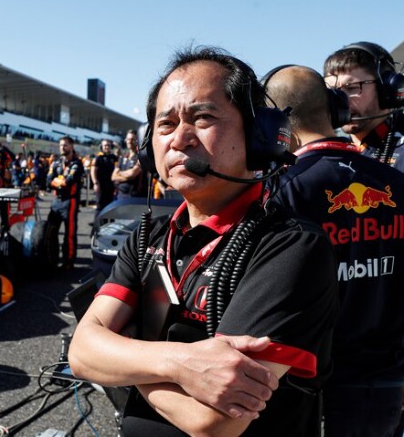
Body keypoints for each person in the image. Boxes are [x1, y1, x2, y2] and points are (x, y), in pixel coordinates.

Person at [68, 47, 339, 437]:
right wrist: (181, 363)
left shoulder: (293, 247)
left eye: (203, 118)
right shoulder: (148, 237)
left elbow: (214, 421)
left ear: (259, 135)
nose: (180, 139)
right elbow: (82, 352)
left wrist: (126, 352)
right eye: (165, 124)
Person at [265, 65, 404, 437]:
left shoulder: (283, 189)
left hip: (314, 389)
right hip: (388, 386)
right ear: (334, 108)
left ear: (275, 120)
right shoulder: (396, 182)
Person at [324, 42, 404, 172]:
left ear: (385, 89)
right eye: (333, 91)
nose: (340, 100)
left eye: (352, 88)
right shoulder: (328, 154)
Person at [47, 136, 84, 270]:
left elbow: (68, 182)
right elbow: (47, 181)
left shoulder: (77, 163)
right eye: (61, 145)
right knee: (50, 231)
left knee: (70, 233)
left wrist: (57, 181)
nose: (62, 147)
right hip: (56, 201)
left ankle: (69, 261)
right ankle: (52, 257)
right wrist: (59, 182)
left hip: (70, 201)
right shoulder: (56, 163)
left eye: (65, 145)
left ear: (71, 146)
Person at [112, 129, 147, 198]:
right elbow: (113, 177)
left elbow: (132, 174)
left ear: (137, 141)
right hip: (120, 195)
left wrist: (119, 173)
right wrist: (127, 177)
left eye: (132, 139)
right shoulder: (123, 157)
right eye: (128, 139)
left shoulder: (141, 157)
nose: (129, 141)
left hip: (135, 196)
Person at [91, 139, 118, 216]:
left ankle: (109, 222)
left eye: (108, 145)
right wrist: (95, 183)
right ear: (101, 147)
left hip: (110, 184)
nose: (107, 147)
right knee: (100, 205)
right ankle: (97, 222)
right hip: (100, 184)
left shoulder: (113, 157)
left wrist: (117, 147)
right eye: (105, 145)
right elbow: (93, 171)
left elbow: (120, 161)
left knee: (110, 205)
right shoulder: (98, 157)